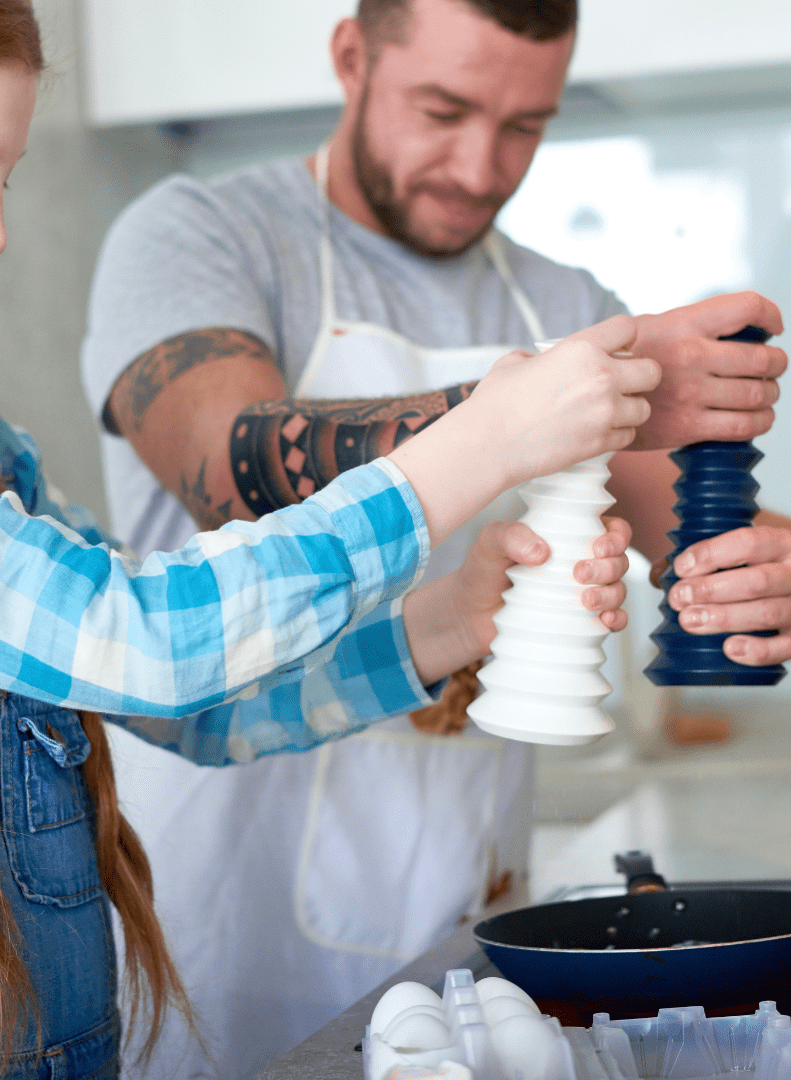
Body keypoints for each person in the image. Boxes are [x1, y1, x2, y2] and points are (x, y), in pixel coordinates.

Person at [0, 1, 654, 1078]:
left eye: (4, 182)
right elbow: (137, 638)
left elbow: (184, 698)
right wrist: (472, 448)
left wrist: (445, 621)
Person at [80, 0, 790, 1075]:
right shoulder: (203, 233)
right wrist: (520, 411)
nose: (478, 164)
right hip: (213, 915)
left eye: (524, 127)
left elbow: (701, 545)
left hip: (460, 906)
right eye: (444, 109)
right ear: (352, 55)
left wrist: (758, 578)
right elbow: (230, 468)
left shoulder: (565, 299)